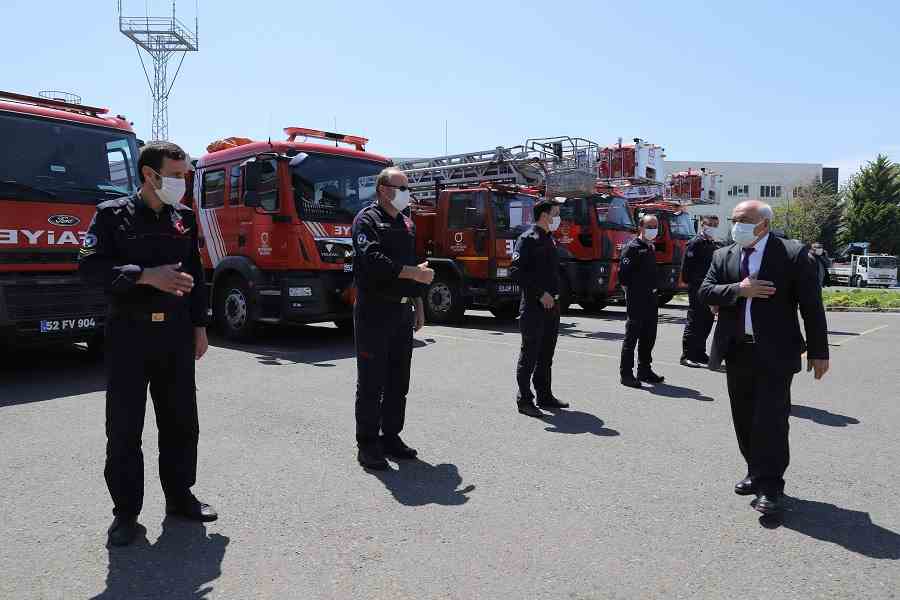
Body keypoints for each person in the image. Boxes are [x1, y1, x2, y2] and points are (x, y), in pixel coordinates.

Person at [79, 141, 216, 547]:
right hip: (129, 335)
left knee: (181, 423)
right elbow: (88, 268)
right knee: (124, 428)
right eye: (175, 175)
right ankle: (126, 514)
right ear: (149, 175)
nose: (182, 182)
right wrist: (143, 275)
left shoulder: (185, 218)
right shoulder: (111, 216)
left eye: (184, 175)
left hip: (174, 335)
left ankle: (180, 497)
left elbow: (196, 275)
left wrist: (200, 325)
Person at [699, 200, 829, 516]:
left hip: (776, 353)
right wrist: (739, 290)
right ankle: (754, 471)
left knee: (770, 421)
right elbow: (705, 292)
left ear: (764, 225)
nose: (736, 225)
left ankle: (771, 486)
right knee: (743, 419)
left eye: (744, 220)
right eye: (734, 219)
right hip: (738, 350)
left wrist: (819, 351)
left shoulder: (793, 254)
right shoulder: (723, 255)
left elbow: (811, 306)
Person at [352, 167, 434, 471]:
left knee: (399, 380)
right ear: (384, 189)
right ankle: (368, 444)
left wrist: (418, 304)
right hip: (375, 310)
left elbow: (411, 263)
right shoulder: (367, 221)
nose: (406, 193)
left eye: (407, 187)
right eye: (402, 187)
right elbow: (373, 260)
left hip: (402, 311)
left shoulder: (407, 223)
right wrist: (413, 273)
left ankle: (391, 436)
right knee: (372, 381)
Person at [510, 196, 569, 417]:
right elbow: (516, 271)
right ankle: (525, 400)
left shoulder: (549, 238)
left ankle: (544, 394)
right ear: (544, 215)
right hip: (534, 307)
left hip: (551, 306)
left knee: (546, 354)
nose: (559, 218)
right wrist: (540, 294)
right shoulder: (528, 238)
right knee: (530, 355)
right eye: (556, 214)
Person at [619, 214, 665, 388]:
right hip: (637, 299)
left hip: (651, 299)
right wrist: (634, 293)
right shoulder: (632, 248)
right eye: (650, 226)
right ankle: (626, 374)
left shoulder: (650, 247)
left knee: (649, 336)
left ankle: (644, 370)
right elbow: (623, 277)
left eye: (656, 226)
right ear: (641, 227)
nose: (653, 229)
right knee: (632, 337)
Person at [680, 215, 720, 367]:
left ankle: (700, 352)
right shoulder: (695, 243)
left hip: (709, 288)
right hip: (697, 287)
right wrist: (691, 284)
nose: (713, 227)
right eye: (711, 224)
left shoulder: (711, 243)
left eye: (716, 225)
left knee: (707, 320)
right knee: (695, 320)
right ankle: (687, 355)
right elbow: (686, 269)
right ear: (703, 225)